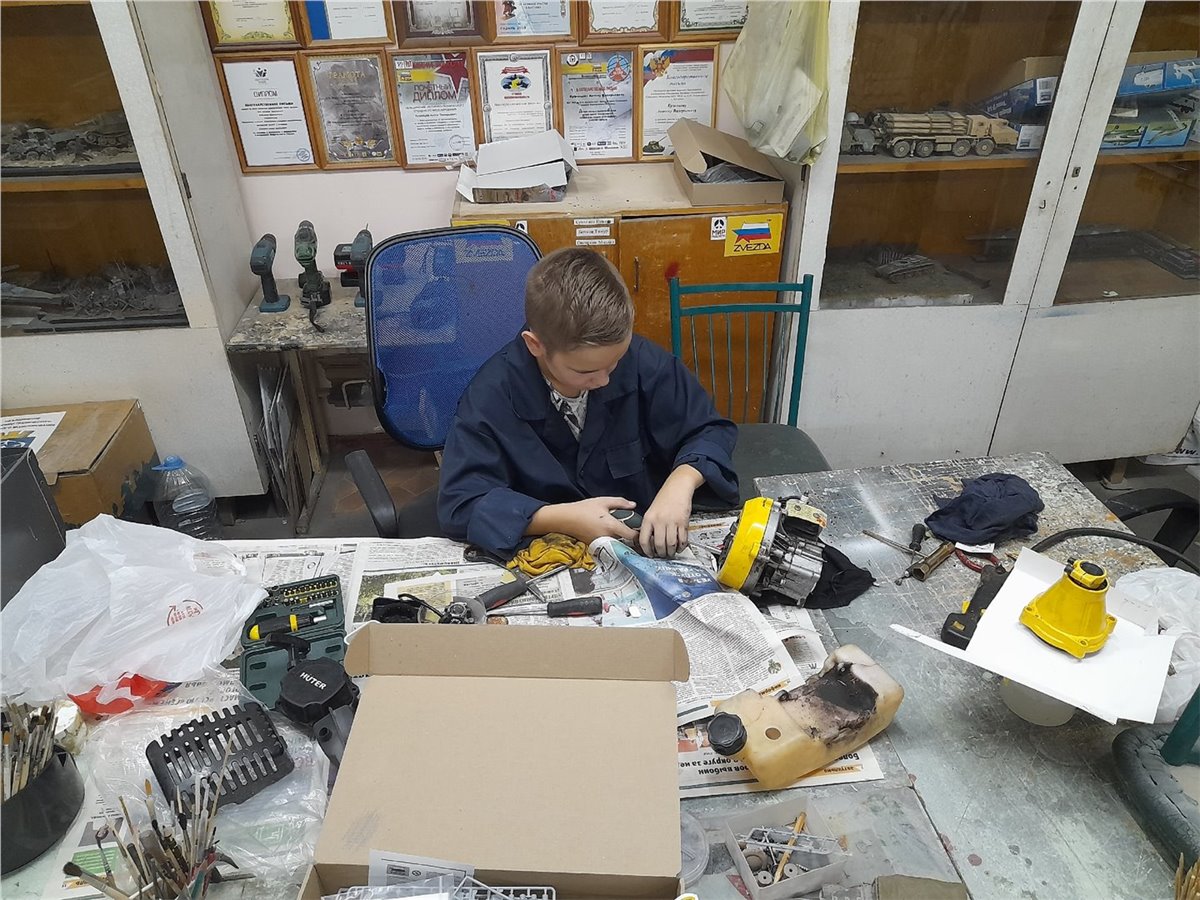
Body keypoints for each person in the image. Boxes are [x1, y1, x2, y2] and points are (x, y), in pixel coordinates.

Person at [438, 247, 738, 559]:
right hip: (553, 552)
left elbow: (710, 430)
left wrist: (681, 483)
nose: (605, 380)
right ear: (535, 345)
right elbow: (462, 504)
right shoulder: (491, 396)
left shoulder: (642, 361)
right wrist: (559, 517)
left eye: (614, 363)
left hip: (640, 547)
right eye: (586, 371)